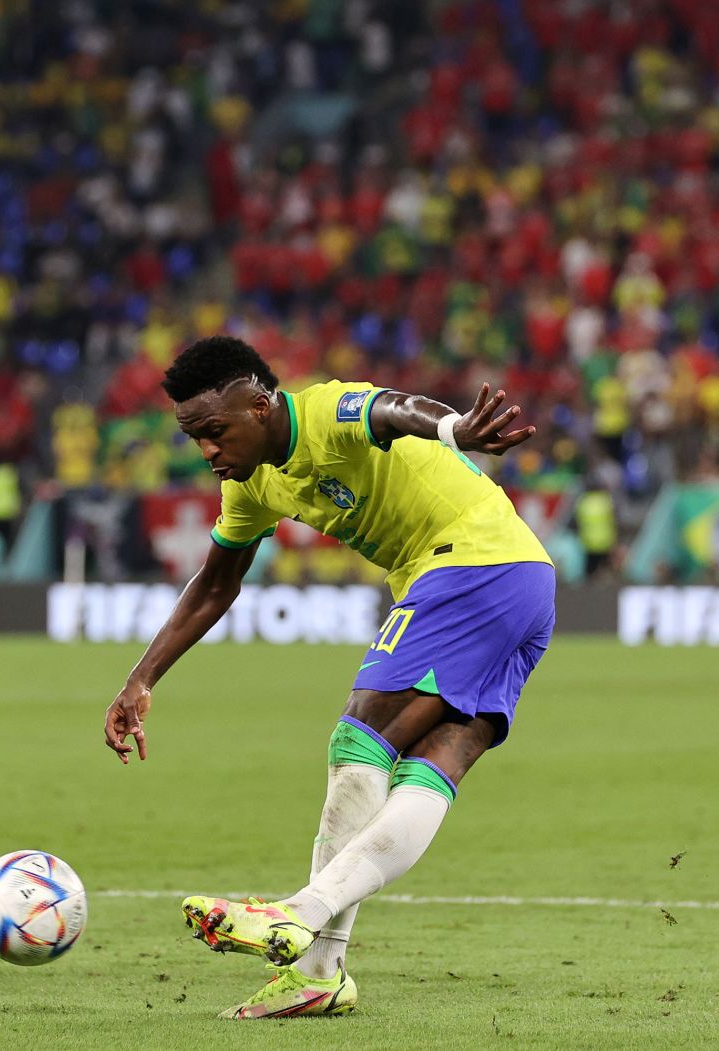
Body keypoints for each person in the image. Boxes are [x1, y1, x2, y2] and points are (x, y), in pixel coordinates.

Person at [102, 336, 553, 1019]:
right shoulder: (250, 483)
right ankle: (317, 971)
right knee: (429, 768)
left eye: (215, 431)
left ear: (260, 406)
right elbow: (215, 583)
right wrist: (141, 678)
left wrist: (454, 429)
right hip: (522, 582)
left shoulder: (322, 412)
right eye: (195, 438)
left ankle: (303, 923)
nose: (208, 452)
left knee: (359, 743)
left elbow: (393, 411)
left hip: (471, 565)